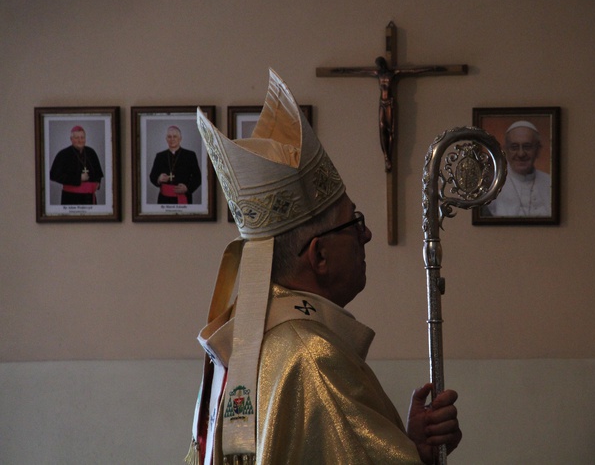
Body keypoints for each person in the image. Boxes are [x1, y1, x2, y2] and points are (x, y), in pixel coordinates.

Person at [187, 69, 462, 465]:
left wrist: (409, 447)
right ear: (318, 256)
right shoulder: (312, 356)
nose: (365, 236)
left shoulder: (245, 344)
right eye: (354, 223)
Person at [483, 120, 551, 217]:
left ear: (538, 150)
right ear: (505, 150)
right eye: (514, 147)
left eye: (527, 147)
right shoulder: (492, 186)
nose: (521, 154)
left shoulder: (550, 183)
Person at [49, 125, 104, 205]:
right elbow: (53, 175)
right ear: (71, 139)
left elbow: (98, 173)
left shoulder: (91, 152)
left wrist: (98, 182)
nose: (80, 140)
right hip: (71, 198)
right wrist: (78, 178)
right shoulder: (63, 154)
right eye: (77, 138)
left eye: (82, 137)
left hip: (89, 198)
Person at [149, 125, 201, 204]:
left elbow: (198, 177)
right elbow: (152, 176)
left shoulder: (190, 155)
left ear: (180, 139)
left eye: (175, 136)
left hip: (184, 197)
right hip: (164, 199)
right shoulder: (160, 156)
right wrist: (158, 178)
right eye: (169, 137)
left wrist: (187, 188)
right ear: (166, 139)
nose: (172, 139)